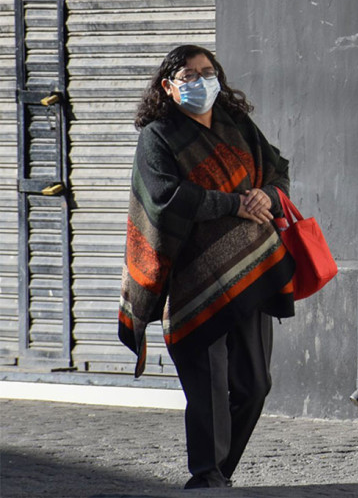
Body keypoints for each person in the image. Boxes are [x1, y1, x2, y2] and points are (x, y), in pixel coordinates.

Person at [119, 45, 295, 489]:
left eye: (208, 72)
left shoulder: (237, 126)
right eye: (190, 75)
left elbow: (278, 170)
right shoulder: (158, 136)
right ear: (169, 86)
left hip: (252, 271)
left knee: (255, 385)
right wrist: (235, 203)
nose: (201, 81)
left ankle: (218, 471)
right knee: (209, 389)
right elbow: (165, 197)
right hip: (191, 281)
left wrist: (267, 196)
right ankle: (207, 474)